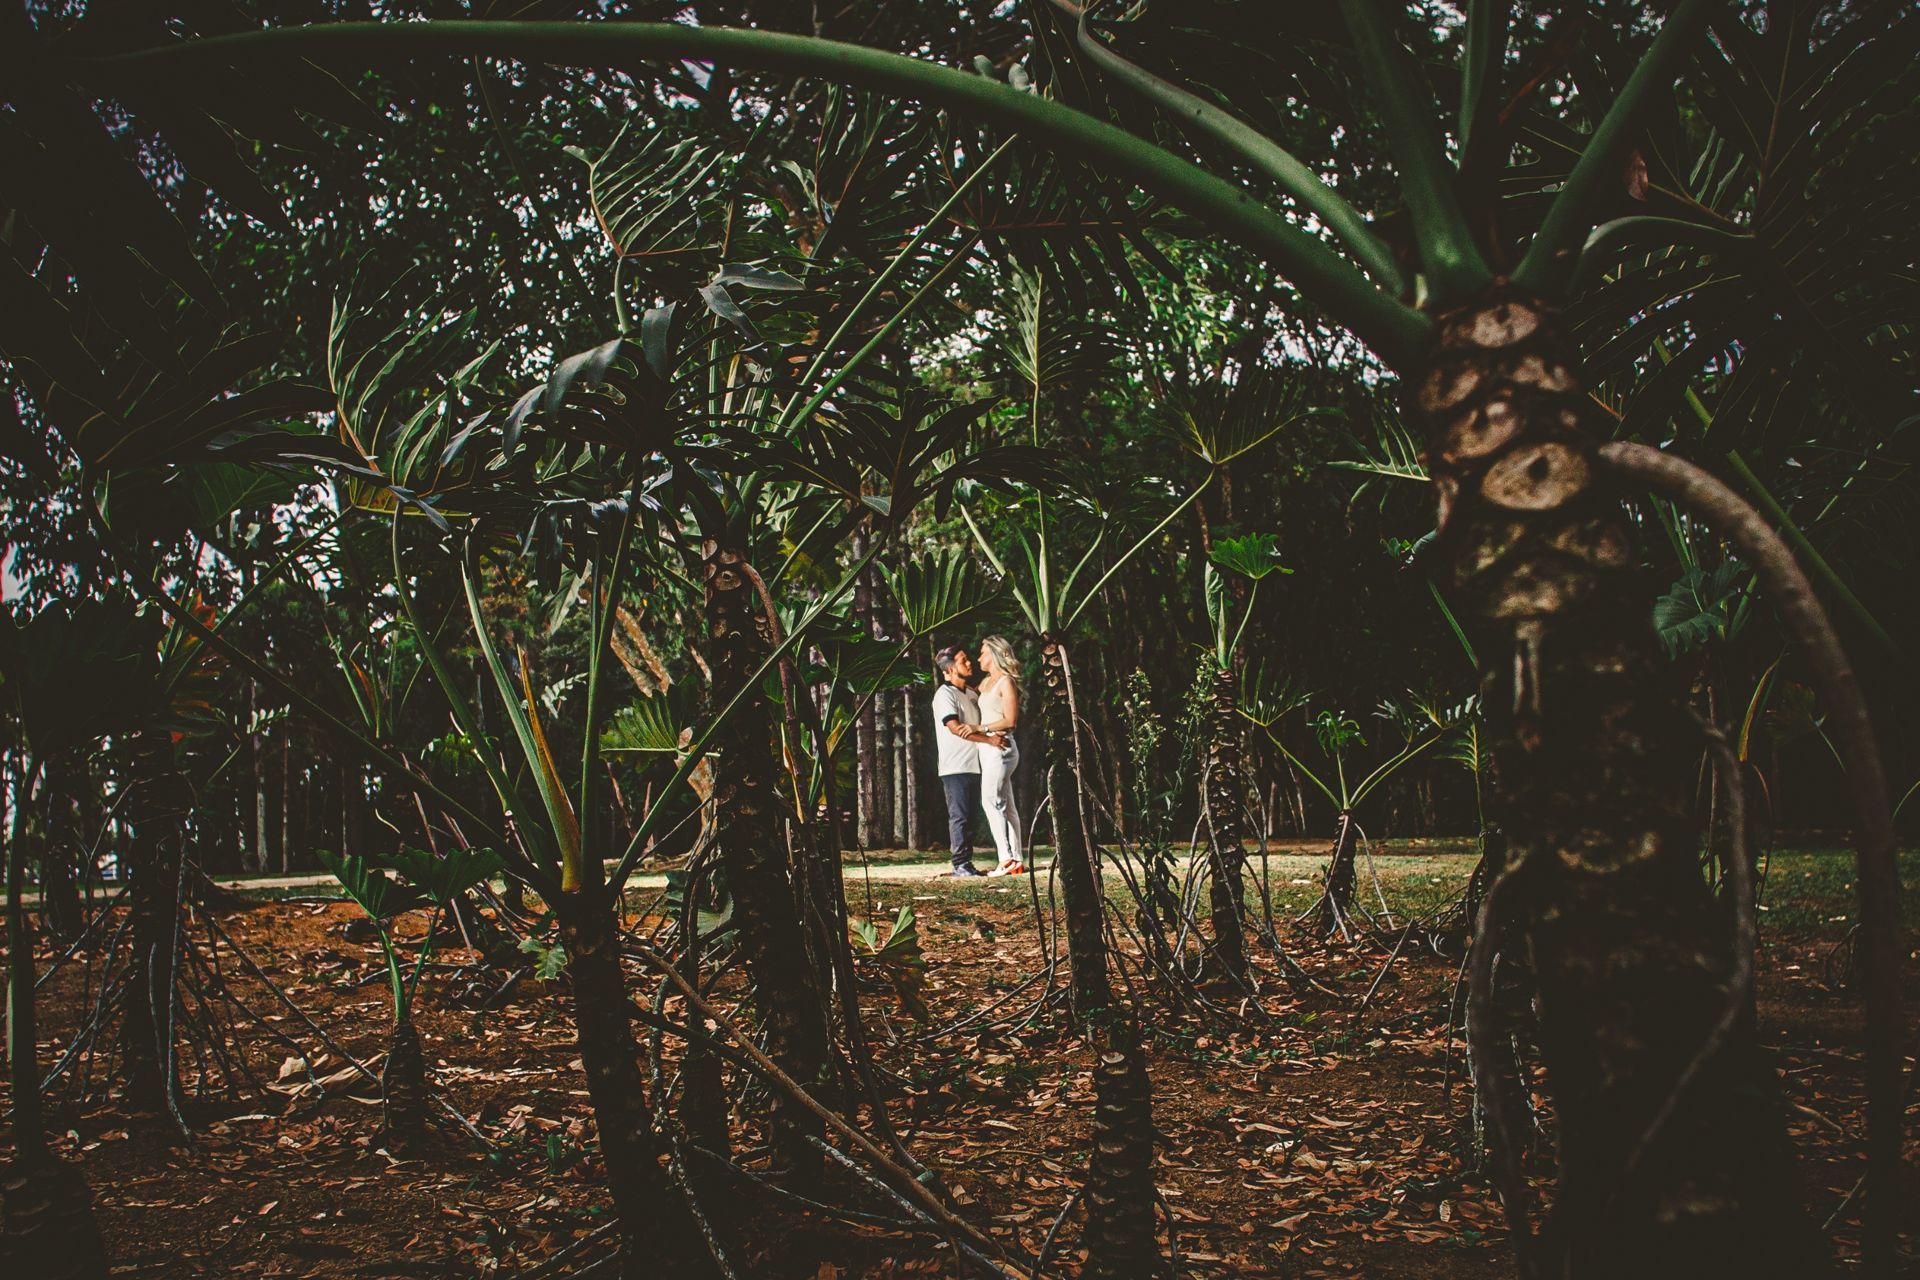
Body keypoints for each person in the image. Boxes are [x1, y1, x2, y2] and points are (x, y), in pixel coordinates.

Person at [931, 645, 1004, 877]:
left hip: (977, 764)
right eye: (963, 661)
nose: (970, 663)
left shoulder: (972, 694)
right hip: (955, 766)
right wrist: (989, 740)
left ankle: (967, 863)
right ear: (951, 669)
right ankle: (960, 863)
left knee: (972, 816)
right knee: (959, 816)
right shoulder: (945, 695)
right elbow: (954, 728)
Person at [974, 635, 1026, 876]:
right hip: (986, 750)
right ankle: (1016, 859)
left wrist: (980, 729)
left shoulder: (1006, 682)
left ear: (994, 654)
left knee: (990, 800)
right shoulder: (985, 683)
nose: (978, 657)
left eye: (983, 653)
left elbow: (1011, 720)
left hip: (1002, 748)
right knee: (1007, 805)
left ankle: (1004, 858)